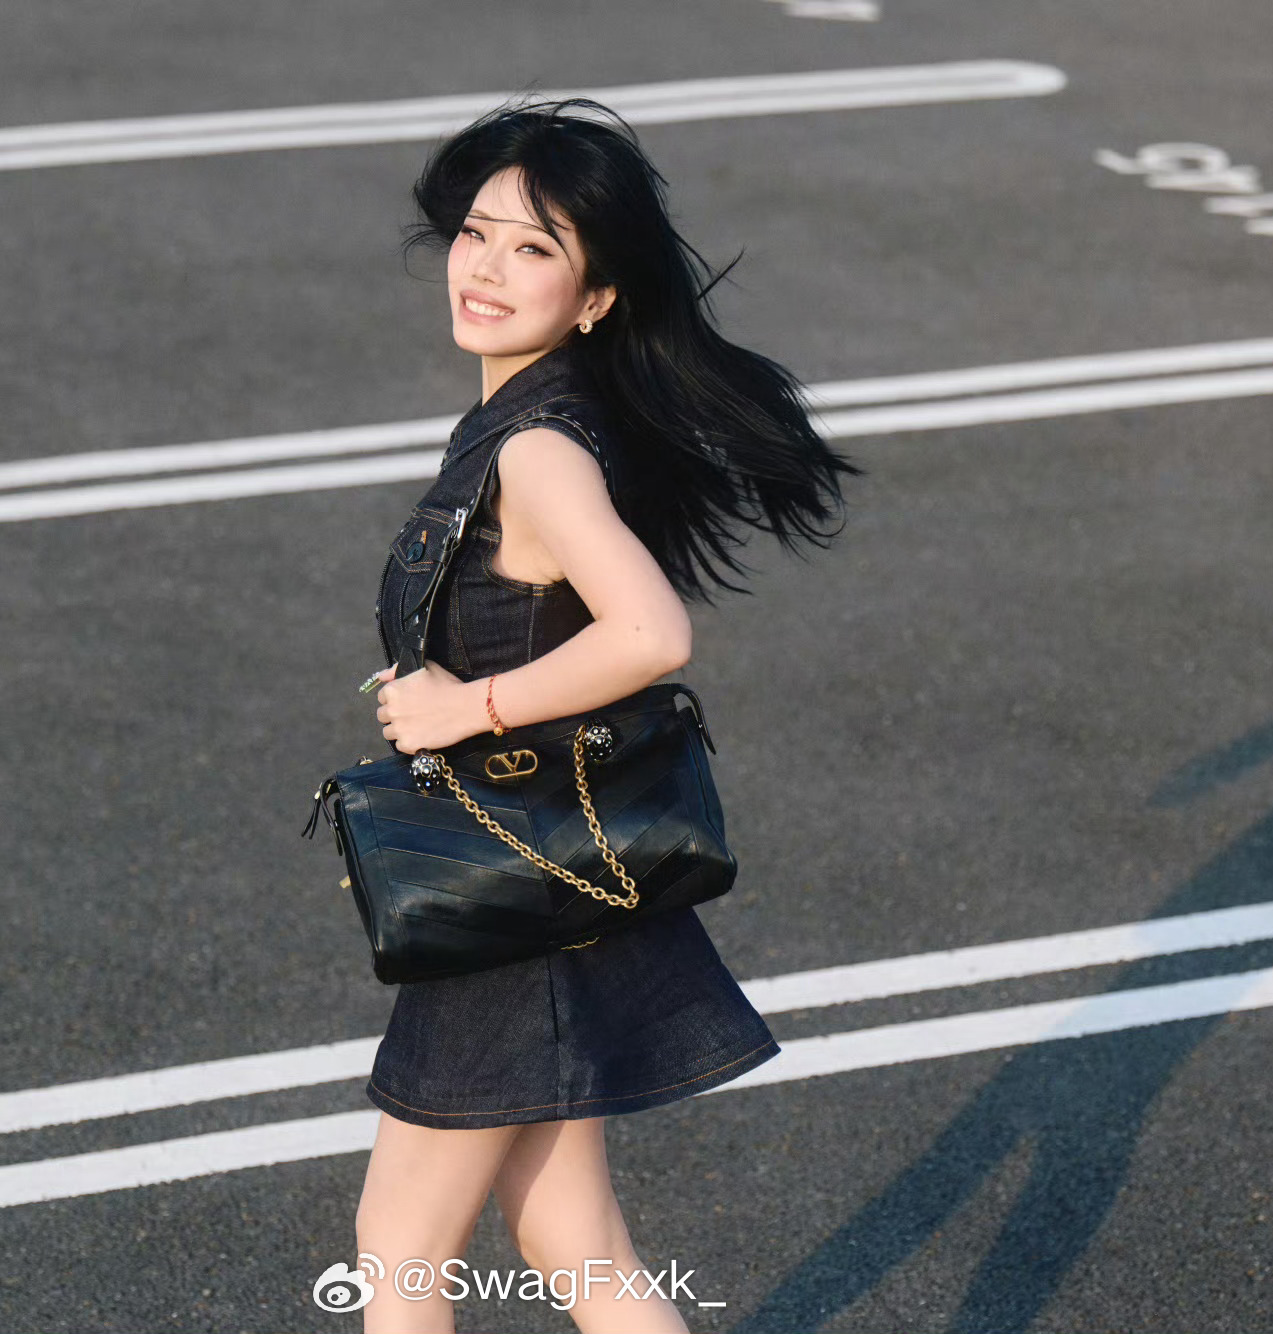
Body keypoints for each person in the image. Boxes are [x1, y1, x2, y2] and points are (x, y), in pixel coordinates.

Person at [357, 96, 863, 1333]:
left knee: (399, 1248)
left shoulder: (536, 450)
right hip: (547, 877)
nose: (484, 268)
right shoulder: (530, 419)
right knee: (569, 1238)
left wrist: (464, 702)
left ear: (592, 297)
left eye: (532, 248)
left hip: (514, 902)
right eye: (477, 233)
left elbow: (651, 633)